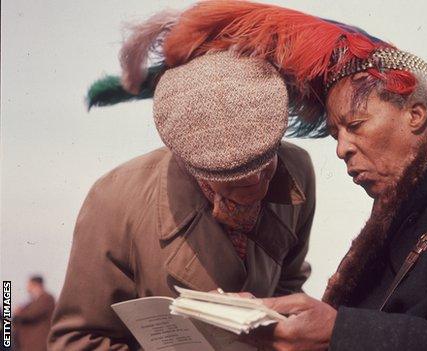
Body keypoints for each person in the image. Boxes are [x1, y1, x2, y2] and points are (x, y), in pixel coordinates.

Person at [155, 1, 427, 350]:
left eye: (356, 125)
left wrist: (340, 332)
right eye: (334, 134)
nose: (342, 148)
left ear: (415, 114)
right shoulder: (396, 230)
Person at [48, 8, 317, 350]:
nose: (257, 182)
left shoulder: (298, 171)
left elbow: (288, 281)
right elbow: (76, 340)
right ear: (187, 162)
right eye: (230, 177)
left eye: (265, 162)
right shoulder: (113, 199)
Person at [12, 275, 55, 351]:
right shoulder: (33, 302)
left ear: (36, 285)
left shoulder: (47, 298)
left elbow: (30, 314)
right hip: (28, 345)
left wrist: (19, 313)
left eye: (29, 285)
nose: (27, 288)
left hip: (37, 345)